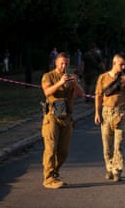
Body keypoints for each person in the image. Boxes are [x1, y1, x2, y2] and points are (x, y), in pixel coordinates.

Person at [40, 52, 85, 189]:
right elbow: (47, 92)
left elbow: (80, 94)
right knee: (51, 149)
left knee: (64, 151)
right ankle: (48, 179)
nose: (64, 66)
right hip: (52, 117)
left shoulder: (72, 77)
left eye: (66, 63)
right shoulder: (48, 76)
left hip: (67, 118)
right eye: (61, 63)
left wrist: (74, 83)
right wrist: (60, 82)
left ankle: (54, 173)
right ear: (56, 63)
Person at [94, 54, 125, 182]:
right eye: (121, 64)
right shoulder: (103, 78)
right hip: (106, 113)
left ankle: (117, 170)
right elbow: (98, 96)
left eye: (124, 65)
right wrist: (97, 112)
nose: (123, 67)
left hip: (120, 113)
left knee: (118, 144)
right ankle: (109, 167)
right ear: (114, 63)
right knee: (107, 144)